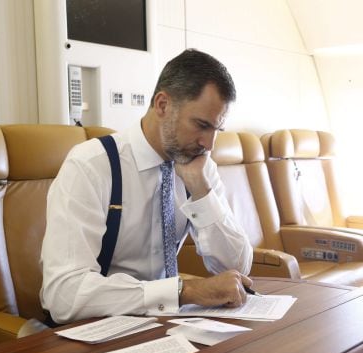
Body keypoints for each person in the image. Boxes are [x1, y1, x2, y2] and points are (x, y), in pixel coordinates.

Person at [40, 49, 253, 324]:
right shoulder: (91, 165)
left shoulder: (198, 164)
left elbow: (236, 268)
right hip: (96, 329)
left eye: (216, 130)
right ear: (162, 105)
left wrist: (201, 190)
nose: (208, 144)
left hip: (161, 325)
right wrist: (182, 291)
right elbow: (64, 295)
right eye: (201, 125)